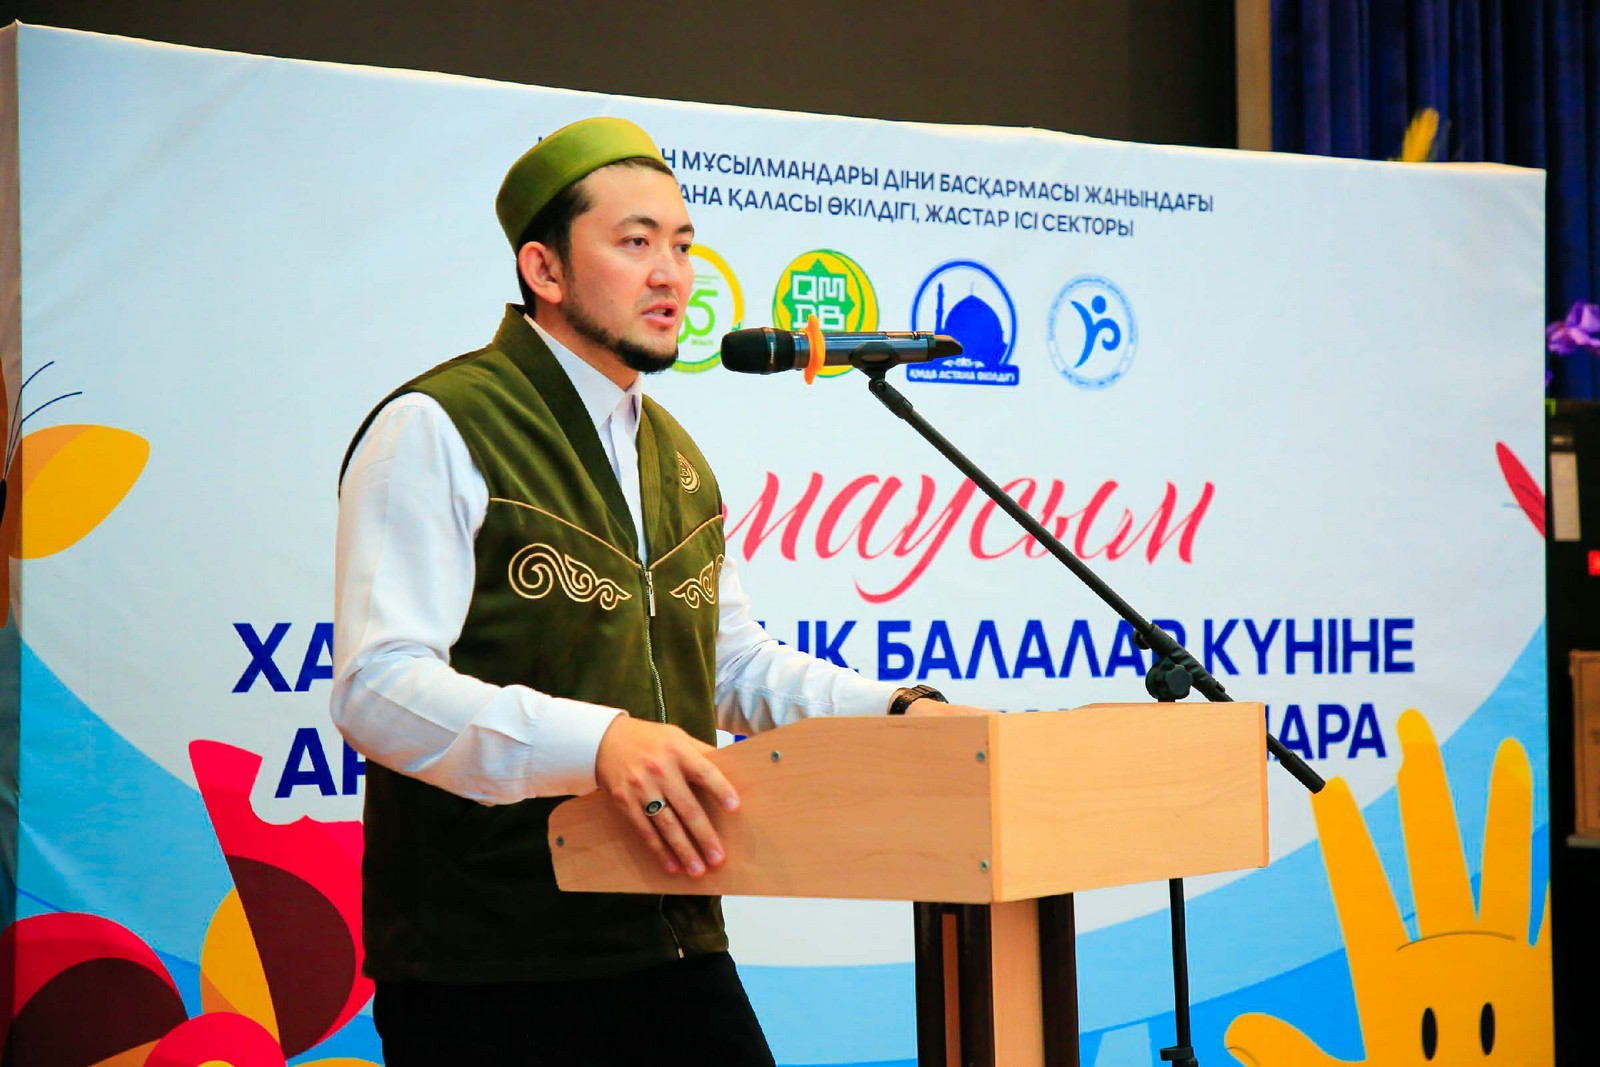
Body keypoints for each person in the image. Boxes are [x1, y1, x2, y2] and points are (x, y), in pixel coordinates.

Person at [331, 115, 985, 1066]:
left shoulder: (674, 454)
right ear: (545, 270)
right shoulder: (440, 424)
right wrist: (601, 742)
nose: (672, 275)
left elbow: (731, 666)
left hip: (672, 936)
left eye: (682, 246)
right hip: (489, 966)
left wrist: (897, 713)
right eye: (635, 243)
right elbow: (378, 686)